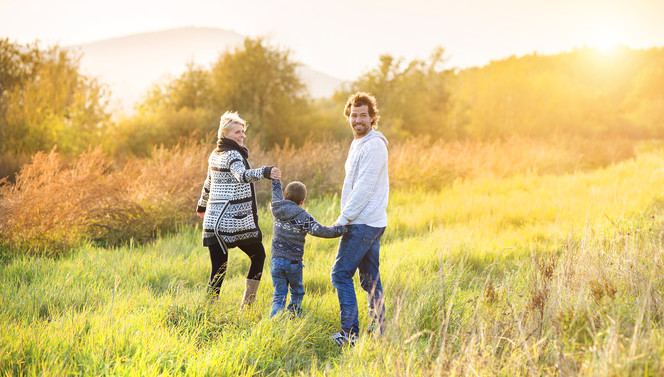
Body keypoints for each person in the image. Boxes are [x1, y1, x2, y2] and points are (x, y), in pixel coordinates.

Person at [196, 111, 281, 307]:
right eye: (237, 132)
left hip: (213, 221)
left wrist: (202, 205)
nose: (242, 135)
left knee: (219, 268)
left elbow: (208, 183)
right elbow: (241, 175)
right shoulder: (233, 154)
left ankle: (208, 309)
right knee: (258, 256)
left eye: (243, 131)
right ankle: (247, 306)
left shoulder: (215, 153)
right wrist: (265, 171)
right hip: (233, 221)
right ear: (225, 134)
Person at [330, 92, 389, 346]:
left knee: (340, 274)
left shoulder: (375, 145)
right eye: (354, 115)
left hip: (364, 222)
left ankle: (350, 335)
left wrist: (343, 219)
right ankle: (380, 332)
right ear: (348, 117)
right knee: (369, 280)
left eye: (363, 115)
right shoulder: (358, 143)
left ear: (372, 117)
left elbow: (364, 188)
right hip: (367, 221)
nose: (358, 120)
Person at [269, 179, 345, 317]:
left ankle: (275, 321)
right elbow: (321, 231)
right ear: (302, 200)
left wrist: (276, 180)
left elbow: (275, 193)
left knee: (279, 293)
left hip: (276, 260)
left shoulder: (277, 207)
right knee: (296, 291)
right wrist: (341, 229)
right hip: (293, 262)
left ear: (285, 197)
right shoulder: (302, 216)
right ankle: (293, 316)